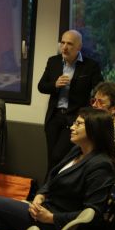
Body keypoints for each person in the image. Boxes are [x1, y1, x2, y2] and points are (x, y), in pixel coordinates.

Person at [38, 29, 103, 172]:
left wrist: (94, 108)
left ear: (79, 47)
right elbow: (41, 86)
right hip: (54, 117)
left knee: (59, 157)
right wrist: (55, 85)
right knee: (51, 157)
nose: (65, 47)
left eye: (69, 44)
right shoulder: (53, 61)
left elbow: (99, 89)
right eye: (63, 43)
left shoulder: (90, 66)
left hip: (74, 118)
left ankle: (49, 189)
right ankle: (48, 191)